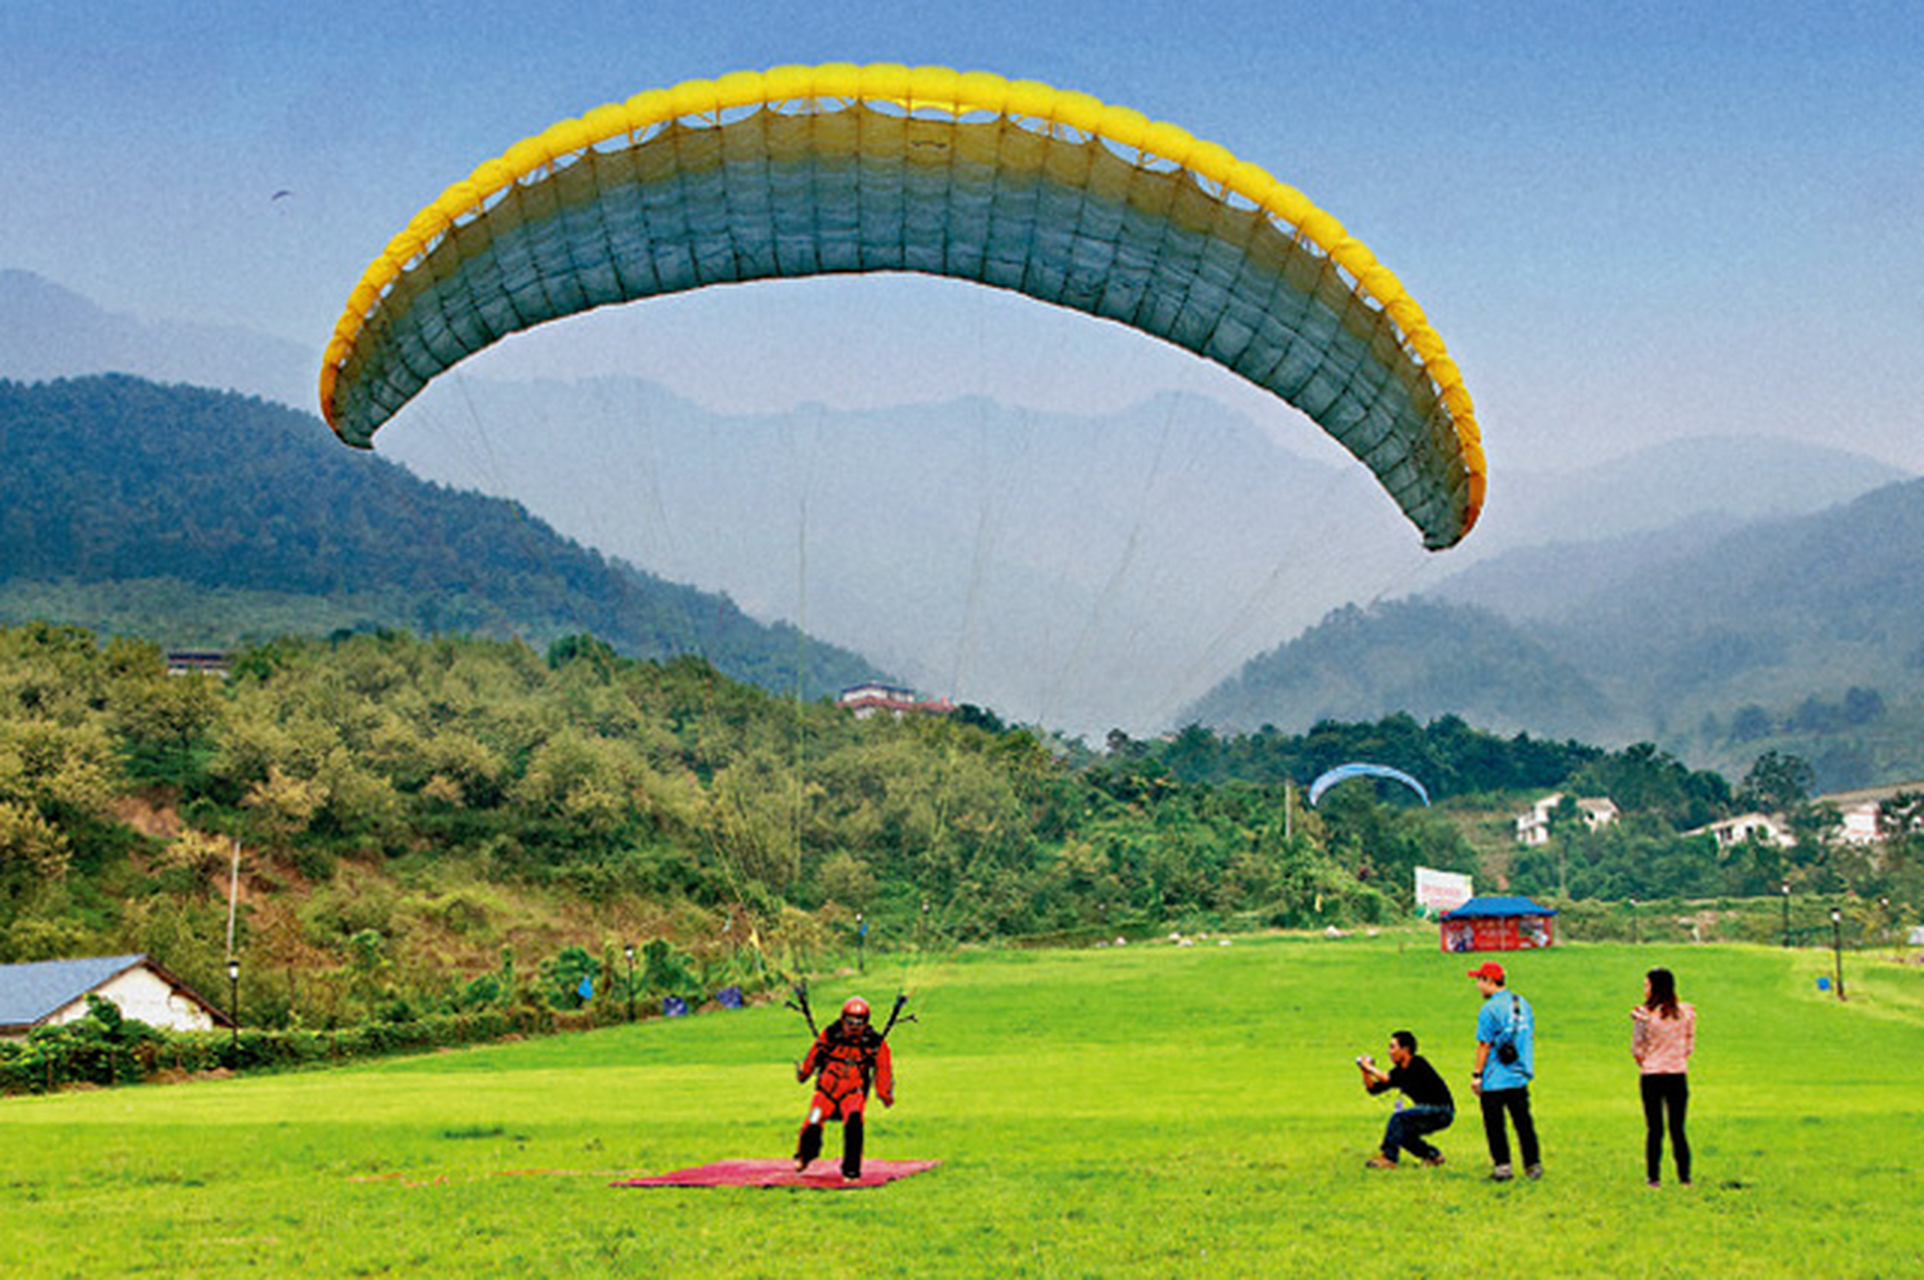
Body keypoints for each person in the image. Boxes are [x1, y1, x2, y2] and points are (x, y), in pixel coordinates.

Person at [794, 996, 894, 1179]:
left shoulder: (874, 1043)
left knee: (854, 1123)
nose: (854, 1026)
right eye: (850, 1021)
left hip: (852, 1094)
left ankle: (851, 1170)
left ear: (866, 1022)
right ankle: (804, 1156)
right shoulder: (830, 1035)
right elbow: (813, 1055)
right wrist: (804, 1074)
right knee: (813, 1121)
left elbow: (883, 1069)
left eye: (859, 1022)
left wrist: (884, 1093)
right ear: (842, 1019)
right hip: (826, 1093)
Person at [1468, 960, 1541, 1181]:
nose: (1477, 986)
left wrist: (1477, 1075)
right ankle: (1533, 1164)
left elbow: (1484, 1044)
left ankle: (1503, 1166)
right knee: (1523, 1122)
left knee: (1495, 1124)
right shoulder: (1522, 1003)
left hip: (1494, 1077)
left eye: (1479, 980)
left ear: (1489, 981)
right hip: (1519, 1075)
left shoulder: (1489, 1009)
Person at [1631, 966, 1696, 1188]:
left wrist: (1649, 1061)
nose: (1644, 989)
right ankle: (1684, 1178)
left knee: (1654, 1128)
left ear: (1654, 987)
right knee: (1678, 1128)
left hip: (1651, 1075)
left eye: (1646, 985)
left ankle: (1653, 1178)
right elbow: (1689, 1045)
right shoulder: (1685, 1014)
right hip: (1677, 1073)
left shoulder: (1644, 1015)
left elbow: (1637, 1048)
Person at [1356, 1029, 1454, 1169]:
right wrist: (1364, 1071)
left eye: (1393, 1047)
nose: (1389, 1052)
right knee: (1401, 1133)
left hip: (1441, 1110)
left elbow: (1385, 1078)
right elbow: (1373, 1089)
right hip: (1430, 1113)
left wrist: (1369, 1067)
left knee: (1398, 1119)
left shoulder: (1418, 1063)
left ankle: (1389, 1158)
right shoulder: (1399, 1071)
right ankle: (1433, 1156)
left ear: (1405, 1049)